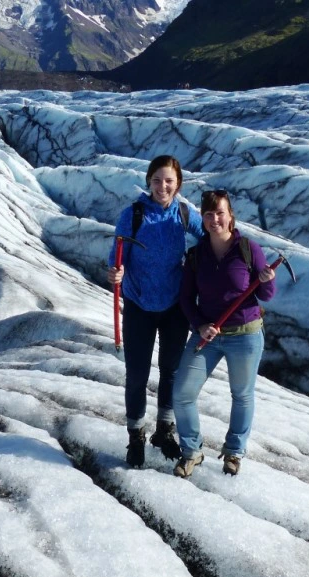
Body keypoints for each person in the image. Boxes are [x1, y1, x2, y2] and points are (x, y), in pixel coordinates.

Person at [108, 155, 204, 468]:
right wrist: (116, 272)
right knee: (137, 374)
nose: (163, 186)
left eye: (169, 181)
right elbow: (116, 256)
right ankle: (136, 436)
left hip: (175, 306)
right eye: (157, 180)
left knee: (171, 371)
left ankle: (164, 431)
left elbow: (211, 237)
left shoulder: (184, 213)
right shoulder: (133, 214)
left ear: (178, 184)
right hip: (139, 304)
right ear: (149, 181)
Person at [172, 190, 276, 478]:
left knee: (241, 394)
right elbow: (186, 299)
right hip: (208, 334)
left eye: (220, 213)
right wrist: (199, 325)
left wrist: (267, 280)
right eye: (208, 214)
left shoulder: (248, 249)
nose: (215, 219)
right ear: (203, 219)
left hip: (246, 334)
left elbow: (266, 295)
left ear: (231, 216)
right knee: (182, 393)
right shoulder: (196, 255)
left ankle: (234, 452)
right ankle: (191, 451)